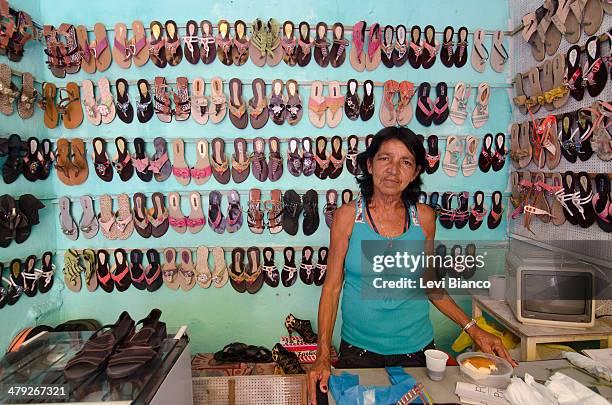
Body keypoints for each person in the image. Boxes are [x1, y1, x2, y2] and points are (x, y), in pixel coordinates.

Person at [307, 127, 516, 403]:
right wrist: (323, 355)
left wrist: (475, 330)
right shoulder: (347, 217)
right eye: (385, 159)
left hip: (416, 352)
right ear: (369, 165)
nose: (393, 170)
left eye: (405, 162)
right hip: (357, 352)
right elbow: (332, 288)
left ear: (416, 172)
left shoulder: (425, 218)